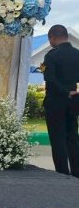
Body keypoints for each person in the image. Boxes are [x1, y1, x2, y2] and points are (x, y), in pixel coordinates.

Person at [42, 24, 79, 177]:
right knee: (72, 137)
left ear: (52, 37)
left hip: (55, 101)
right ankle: (77, 172)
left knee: (58, 138)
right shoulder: (77, 54)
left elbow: (49, 79)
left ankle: (62, 173)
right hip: (74, 101)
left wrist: (65, 92)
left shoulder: (51, 56)